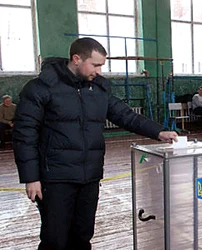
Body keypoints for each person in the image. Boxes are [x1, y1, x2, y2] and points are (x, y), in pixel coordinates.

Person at [12, 37, 178, 250]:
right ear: (77, 59)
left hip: (89, 177)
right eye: (96, 64)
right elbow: (24, 134)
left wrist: (158, 132)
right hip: (55, 178)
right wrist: (31, 177)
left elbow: (126, 115)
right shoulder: (40, 88)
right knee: (55, 239)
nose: (99, 71)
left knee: (82, 237)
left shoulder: (98, 89)